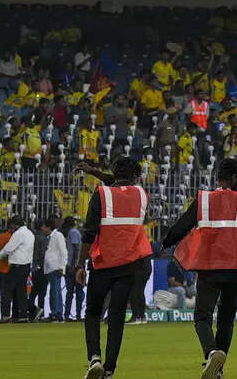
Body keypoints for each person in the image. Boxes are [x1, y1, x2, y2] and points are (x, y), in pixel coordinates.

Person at [160, 157, 237, 379]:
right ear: (235, 178)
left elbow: (182, 225)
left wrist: (165, 243)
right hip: (235, 269)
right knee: (227, 320)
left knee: (202, 317)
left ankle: (211, 353)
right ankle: (218, 369)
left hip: (209, 268)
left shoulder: (204, 200)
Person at [75, 156, 152, 379]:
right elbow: (121, 184)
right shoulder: (141, 195)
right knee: (117, 319)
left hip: (102, 264)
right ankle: (109, 370)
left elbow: (89, 233)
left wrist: (80, 264)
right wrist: (95, 172)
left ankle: (94, 358)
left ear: (114, 172)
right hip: (128, 266)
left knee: (93, 312)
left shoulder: (101, 194)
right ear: (135, 176)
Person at [1, 213, 36, 322]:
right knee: (21, 291)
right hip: (26, 265)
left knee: (6, 290)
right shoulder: (30, 233)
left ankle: (6, 316)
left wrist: (0, 256)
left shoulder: (18, 234)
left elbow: (8, 248)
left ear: (15, 225)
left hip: (16, 265)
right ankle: (23, 316)